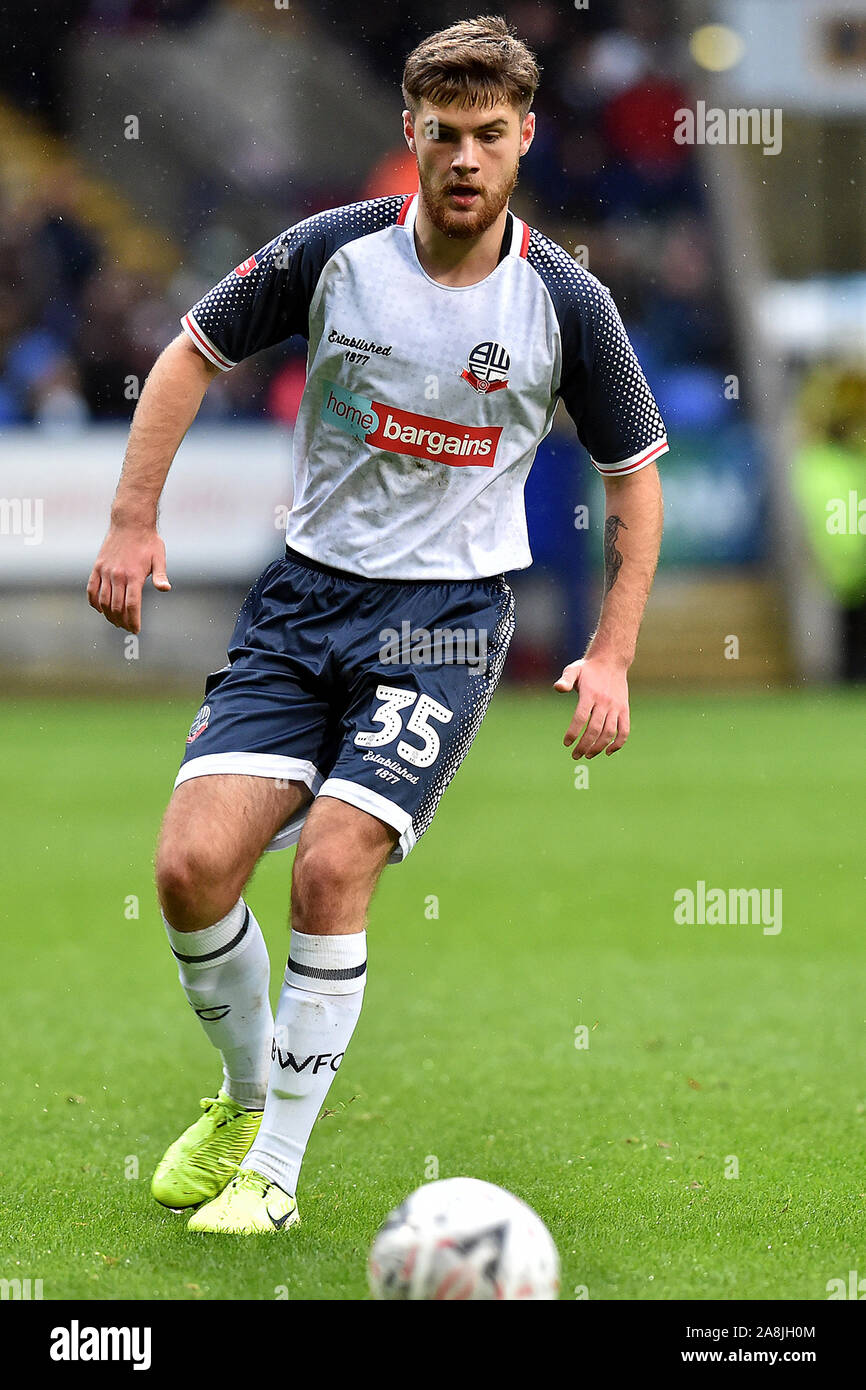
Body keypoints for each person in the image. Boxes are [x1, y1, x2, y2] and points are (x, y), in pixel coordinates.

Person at [87, 15, 666, 1235]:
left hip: (444, 623)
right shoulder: (331, 252)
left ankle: (277, 1180)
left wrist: (610, 652)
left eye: (488, 137)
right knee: (190, 870)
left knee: (330, 864)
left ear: (522, 143)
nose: (464, 158)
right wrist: (133, 522)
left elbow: (633, 476)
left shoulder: (566, 301)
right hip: (302, 602)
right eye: (443, 134)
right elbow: (190, 354)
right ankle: (248, 1100)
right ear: (410, 135)